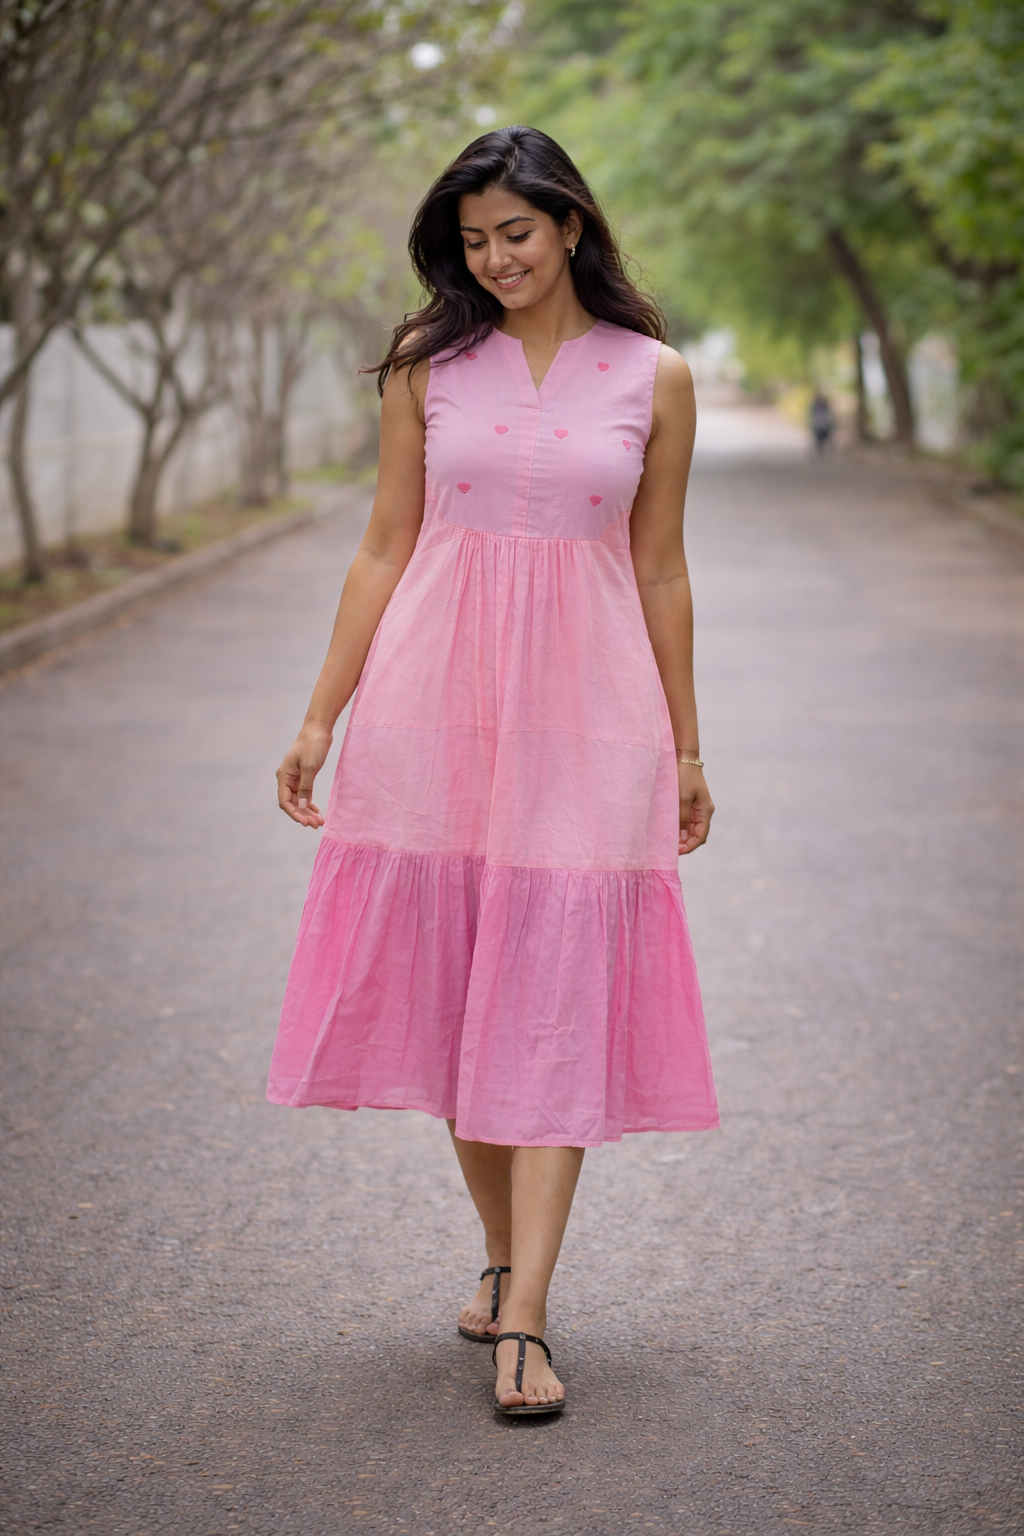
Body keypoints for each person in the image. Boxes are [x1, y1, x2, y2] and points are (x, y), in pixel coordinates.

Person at [267, 126, 719, 1417]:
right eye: (472, 241)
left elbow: (662, 570)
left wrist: (686, 747)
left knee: (557, 985)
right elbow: (382, 547)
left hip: (589, 707)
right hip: (434, 701)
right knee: (459, 980)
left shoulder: (656, 375)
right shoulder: (429, 364)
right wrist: (320, 717)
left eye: (516, 232)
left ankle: (525, 1318)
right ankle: (509, 1251)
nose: (496, 258)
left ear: (571, 225)